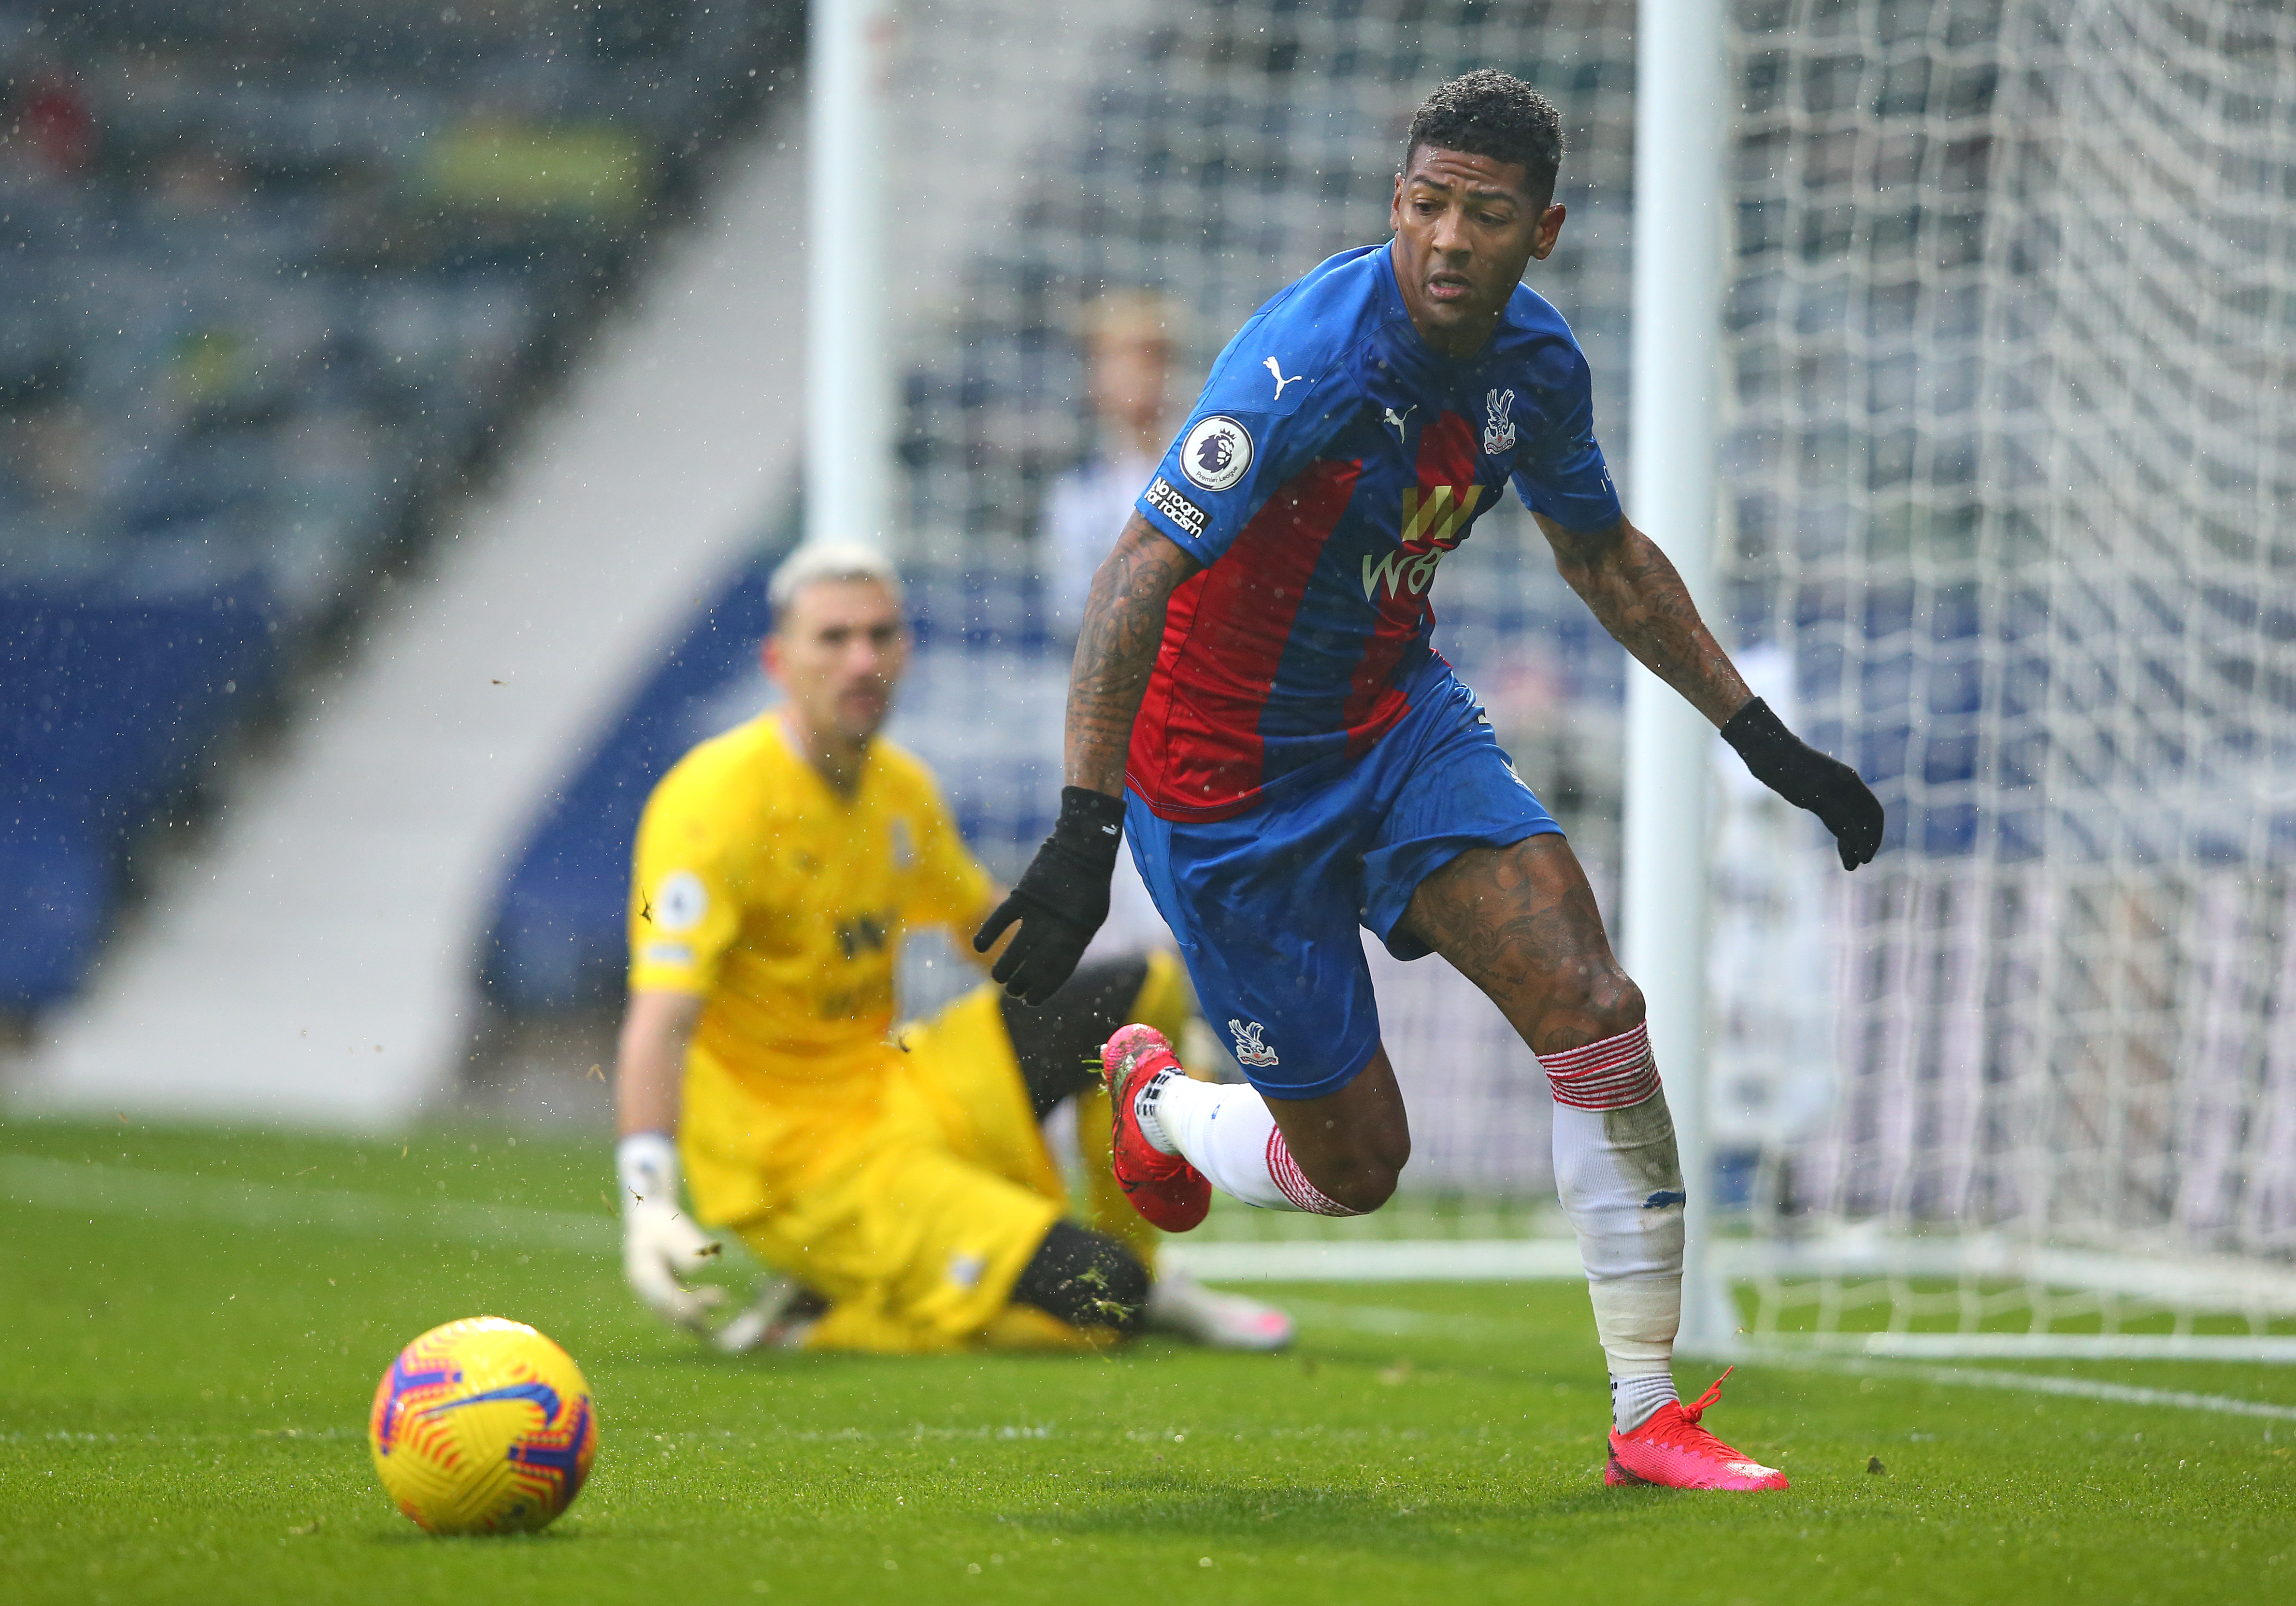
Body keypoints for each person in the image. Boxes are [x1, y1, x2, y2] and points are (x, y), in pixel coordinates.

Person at [977, 72, 1883, 1486]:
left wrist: (1758, 736)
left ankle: (1645, 1410)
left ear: (1547, 229)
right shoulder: (1308, 362)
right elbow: (1141, 567)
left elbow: (1602, 553)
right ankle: (1156, 1101)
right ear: (1395, 203)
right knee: (1358, 1169)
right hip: (1223, 788)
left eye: (1487, 213)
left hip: (1398, 730)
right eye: (1426, 205)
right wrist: (1085, 833)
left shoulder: (1538, 365)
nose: (1450, 239)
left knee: (1595, 1003)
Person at [613, 542, 1292, 1354]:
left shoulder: (901, 790)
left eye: (881, 635)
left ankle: (1147, 1267)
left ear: (905, 650)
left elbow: (998, 942)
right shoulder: (713, 805)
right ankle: (829, 1315)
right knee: (1099, 1302)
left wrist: (1182, 1036)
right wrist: (647, 1202)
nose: (861, 660)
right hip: (804, 1171)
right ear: (777, 660)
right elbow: (661, 1021)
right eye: (833, 638)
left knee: (1138, 991)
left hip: (900, 1087)